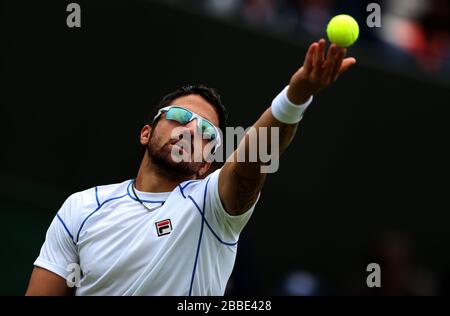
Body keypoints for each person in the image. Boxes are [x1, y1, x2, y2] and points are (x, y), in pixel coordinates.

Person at [25, 39, 356, 295]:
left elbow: (251, 161)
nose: (191, 129)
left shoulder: (212, 206)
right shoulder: (81, 207)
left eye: (207, 132)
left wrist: (294, 98)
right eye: (180, 117)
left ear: (206, 166)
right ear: (146, 132)